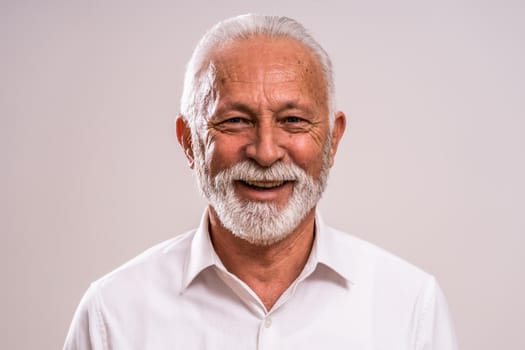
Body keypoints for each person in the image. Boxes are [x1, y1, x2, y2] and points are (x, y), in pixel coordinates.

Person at [64, 14, 457, 349]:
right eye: (235, 121)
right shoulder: (112, 315)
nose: (266, 152)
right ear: (189, 142)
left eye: (293, 121)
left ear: (333, 140)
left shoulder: (410, 307)